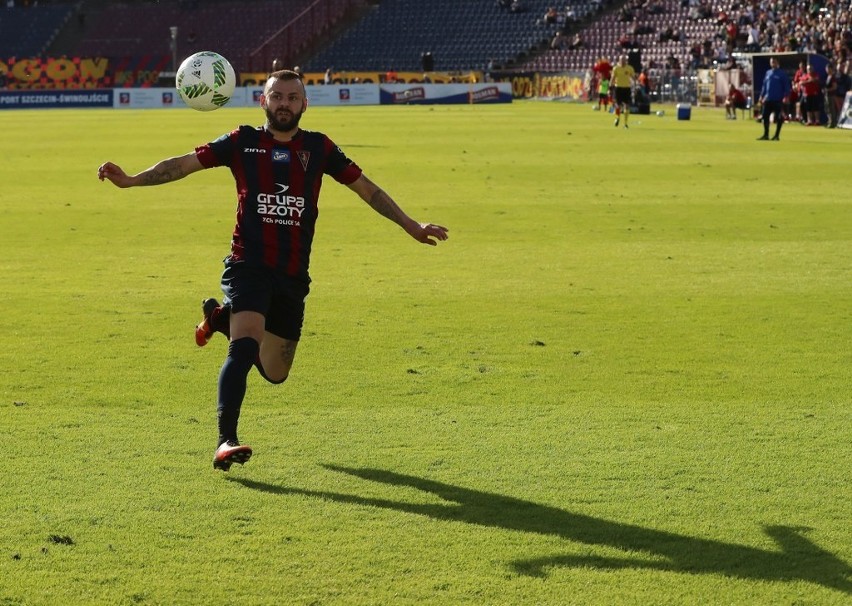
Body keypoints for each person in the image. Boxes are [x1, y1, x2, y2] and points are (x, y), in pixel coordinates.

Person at [97, 70, 449, 471]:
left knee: (277, 372)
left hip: (292, 273)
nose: (284, 104)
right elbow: (181, 165)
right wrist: (130, 181)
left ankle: (219, 317)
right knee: (244, 346)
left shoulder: (319, 148)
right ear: (262, 102)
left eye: (292, 97)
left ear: (304, 104)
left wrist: (411, 225)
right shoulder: (242, 141)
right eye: (276, 96)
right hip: (248, 264)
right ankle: (225, 440)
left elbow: (367, 189)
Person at [757, 56, 791, 141]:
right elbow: (764, 85)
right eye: (771, 62)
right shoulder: (768, 73)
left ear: (777, 63)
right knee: (765, 116)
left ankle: (776, 135)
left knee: (779, 117)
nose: (773, 63)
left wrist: (786, 96)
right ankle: (766, 134)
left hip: (778, 99)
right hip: (768, 98)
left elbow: (786, 86)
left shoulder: (781, 74)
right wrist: (762, 95)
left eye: (774, 62)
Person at [610, 54, 636, 128]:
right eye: (621, 60)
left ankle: (625, 123)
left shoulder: (630, 68)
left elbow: (633, 78)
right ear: (619, 60)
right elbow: (613, 78)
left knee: (627, 106)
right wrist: (610, 87)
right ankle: (617, 118)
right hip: (618, 88)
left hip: (627, 88)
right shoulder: (616, 68)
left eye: (624, 60)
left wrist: (635, 86)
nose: (623, 61)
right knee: (618, 106)